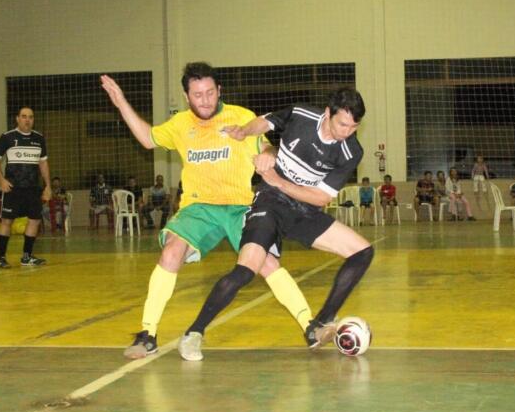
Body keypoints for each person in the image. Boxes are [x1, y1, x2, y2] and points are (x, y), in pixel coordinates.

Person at [101, 62, 313, 359]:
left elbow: (266, 148)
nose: (205, 100)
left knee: (267, 264)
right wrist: (121, 101)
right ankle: (148, 334)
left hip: (239, 207)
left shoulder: (241, 117)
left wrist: (267, 156)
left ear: (219, 91)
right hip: (198, 208)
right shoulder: (180, 125)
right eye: (197, 94)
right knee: (171, 252)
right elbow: (148, 139)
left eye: (210, 92)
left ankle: (310, 326)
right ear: (187, 97)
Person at [176, 87, 373, 361]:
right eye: (342, 124)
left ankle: (320, 323)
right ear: (328, 113)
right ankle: (194, 333)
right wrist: (245, 131)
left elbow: (320, 198)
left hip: (304, 208)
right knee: (246, 270)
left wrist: (279, 180)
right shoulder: (300, 115)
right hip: (270, 202)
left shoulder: (352, 151)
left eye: (353, 127)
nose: (346, 132)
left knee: (363, 252)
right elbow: (265, 121)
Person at [0, 106, 52, 268]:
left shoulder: (39, 138)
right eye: (24, 116)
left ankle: (27, 256)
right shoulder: (7, 137)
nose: (27, 120)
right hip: (13, 189)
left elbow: (43, 163)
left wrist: (48, 186)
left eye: (30, 117)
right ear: (17, 119)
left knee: (34, 220)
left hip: (33, 188)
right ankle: (1, 258)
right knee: (7, 222)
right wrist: (1, 180)